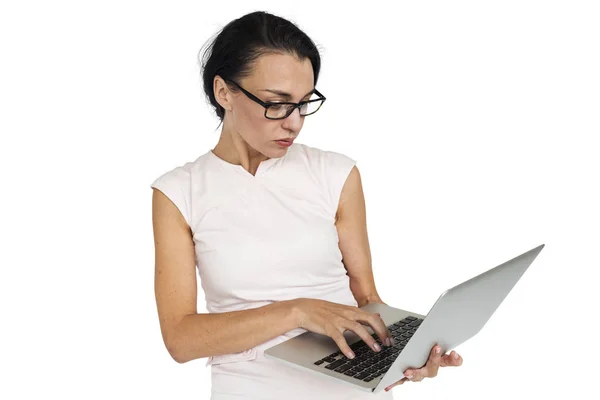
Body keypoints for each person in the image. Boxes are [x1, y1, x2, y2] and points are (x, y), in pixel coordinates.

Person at [150, 10, 463, 400]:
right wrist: (297, 311)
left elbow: (367, 300)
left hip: (349, 384)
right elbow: (181, 339)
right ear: (223, 92)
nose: (294, 123)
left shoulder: (335, 173)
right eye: (276, 104)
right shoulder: (179, 192)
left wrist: (406, 352)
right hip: (251, 388)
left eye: (303, 103)